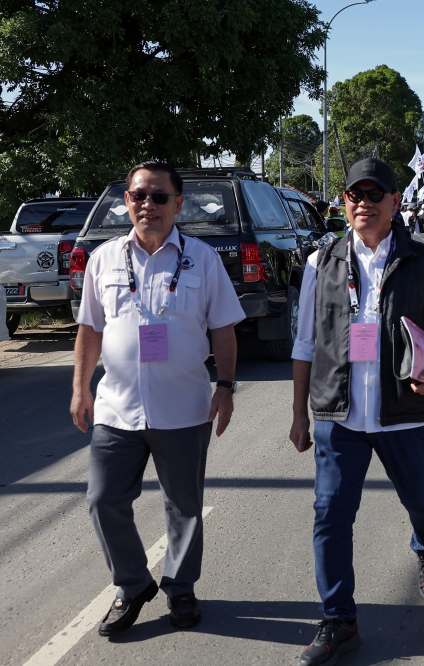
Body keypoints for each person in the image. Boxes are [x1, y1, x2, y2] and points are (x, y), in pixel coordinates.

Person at [289, 158, 424, 666]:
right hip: (338, 416)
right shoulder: (319, 262)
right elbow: (305, 343)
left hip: (405, 414)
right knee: (330, 516)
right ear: (344, 202)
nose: (363, 203)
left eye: (375, 194)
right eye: (354, 195)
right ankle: (339, 619)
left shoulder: (422, 258)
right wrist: (299, 414)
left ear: (395, 202)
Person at [70, 161, 245, 636]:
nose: (148, 205)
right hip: (115, 408)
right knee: (103, 500)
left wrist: (225, 388)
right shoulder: (104, 257)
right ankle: (132, 585)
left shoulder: (203, 259)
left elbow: (223, 328)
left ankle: (181, 589)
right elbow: (89, 328)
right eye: (138, 196)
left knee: (184, 505)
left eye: (159, 197)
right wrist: (79, 388)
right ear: (125, 201)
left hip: (184, 406)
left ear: (178, 204)